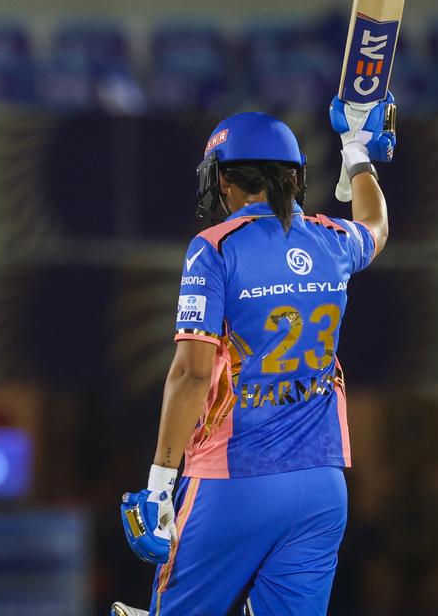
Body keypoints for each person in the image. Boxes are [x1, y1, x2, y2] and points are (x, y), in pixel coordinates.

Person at [116, 94, 396, 615]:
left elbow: (192, 372)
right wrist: (358, 152)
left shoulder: (215, 247)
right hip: (323, 488)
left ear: (223, 179)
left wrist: (159, 484)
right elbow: (376, 226)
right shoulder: (330, 240)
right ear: (293, 178)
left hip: (233, 481)